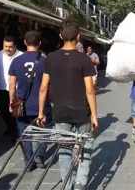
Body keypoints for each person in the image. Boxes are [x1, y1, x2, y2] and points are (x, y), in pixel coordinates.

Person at [38, 19, 98, 190]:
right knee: (85, 147)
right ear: (79, 37)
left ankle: (67, 184)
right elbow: (90, 90)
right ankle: (80, 183)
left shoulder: (50, 58)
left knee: (64, 150)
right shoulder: (85, 60)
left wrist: (41, 112)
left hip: (60, 111)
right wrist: (94, 115)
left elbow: (43, 88)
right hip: (82, 112)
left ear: (60, 36)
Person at [8, 31, 51, 172]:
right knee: (44, 131)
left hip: (22, 104)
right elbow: (47, 85)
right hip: (40, 103)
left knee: (24, 133)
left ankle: (29, 160)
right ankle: (39, 155)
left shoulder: (16, 61)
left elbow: (12, 85)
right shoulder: (45, 61)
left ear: (25, 43)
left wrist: (11, 102)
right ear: (39, 43)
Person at [0, 36, 22, 142]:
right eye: (5, 46)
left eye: (10, 47)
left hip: (17, 89)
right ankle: (10, 128)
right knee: (4, 111)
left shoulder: (21, 56)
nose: (7, 49)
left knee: (15, 113)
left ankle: (15, 133)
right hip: (2, 89)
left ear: (15, 46)